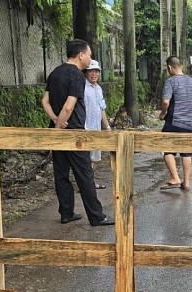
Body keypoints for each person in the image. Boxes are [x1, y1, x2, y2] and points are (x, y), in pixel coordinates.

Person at [41, 39, 114, 226]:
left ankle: (66, 212)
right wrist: (60, 125)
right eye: (89, 54)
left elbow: (45, 101)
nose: (90, 58)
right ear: (81, 55)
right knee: (84, 174)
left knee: (61, 173)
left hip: (57, 130)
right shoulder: (77, 76)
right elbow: (69, 106)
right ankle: (97, 216)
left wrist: (55, 121)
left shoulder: (55, 73)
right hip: (73, 133)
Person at [157, 56, 192, 191]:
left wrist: (163, 113)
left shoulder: (170, 82)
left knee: (166, 149)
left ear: (169, 67)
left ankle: (175, 177)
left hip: (173, 122)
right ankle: (186, 182)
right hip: (188, 125)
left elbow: (165, 102)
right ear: (181, 66)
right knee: (186, 153)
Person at [83, 59, 112, 190]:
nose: (94, 74)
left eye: (96, 71)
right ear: (86, 73)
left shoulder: (99, 88)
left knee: (94, 159)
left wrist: (107, 127)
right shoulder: (82, 87)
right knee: (84, 159)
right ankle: (85, 184)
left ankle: (90, 183)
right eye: (91, 71)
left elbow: (102, 110)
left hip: (97, 129)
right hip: (85, 128)